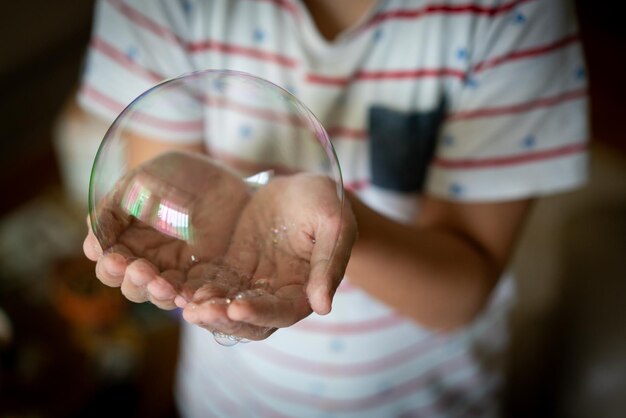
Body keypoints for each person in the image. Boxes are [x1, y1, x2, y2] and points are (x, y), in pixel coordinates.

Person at [78, 0, 589, 416]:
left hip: (421, 399)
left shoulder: (511, 13)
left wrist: (345, 224)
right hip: (229, 399)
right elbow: (163, 212)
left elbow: (464, 287)